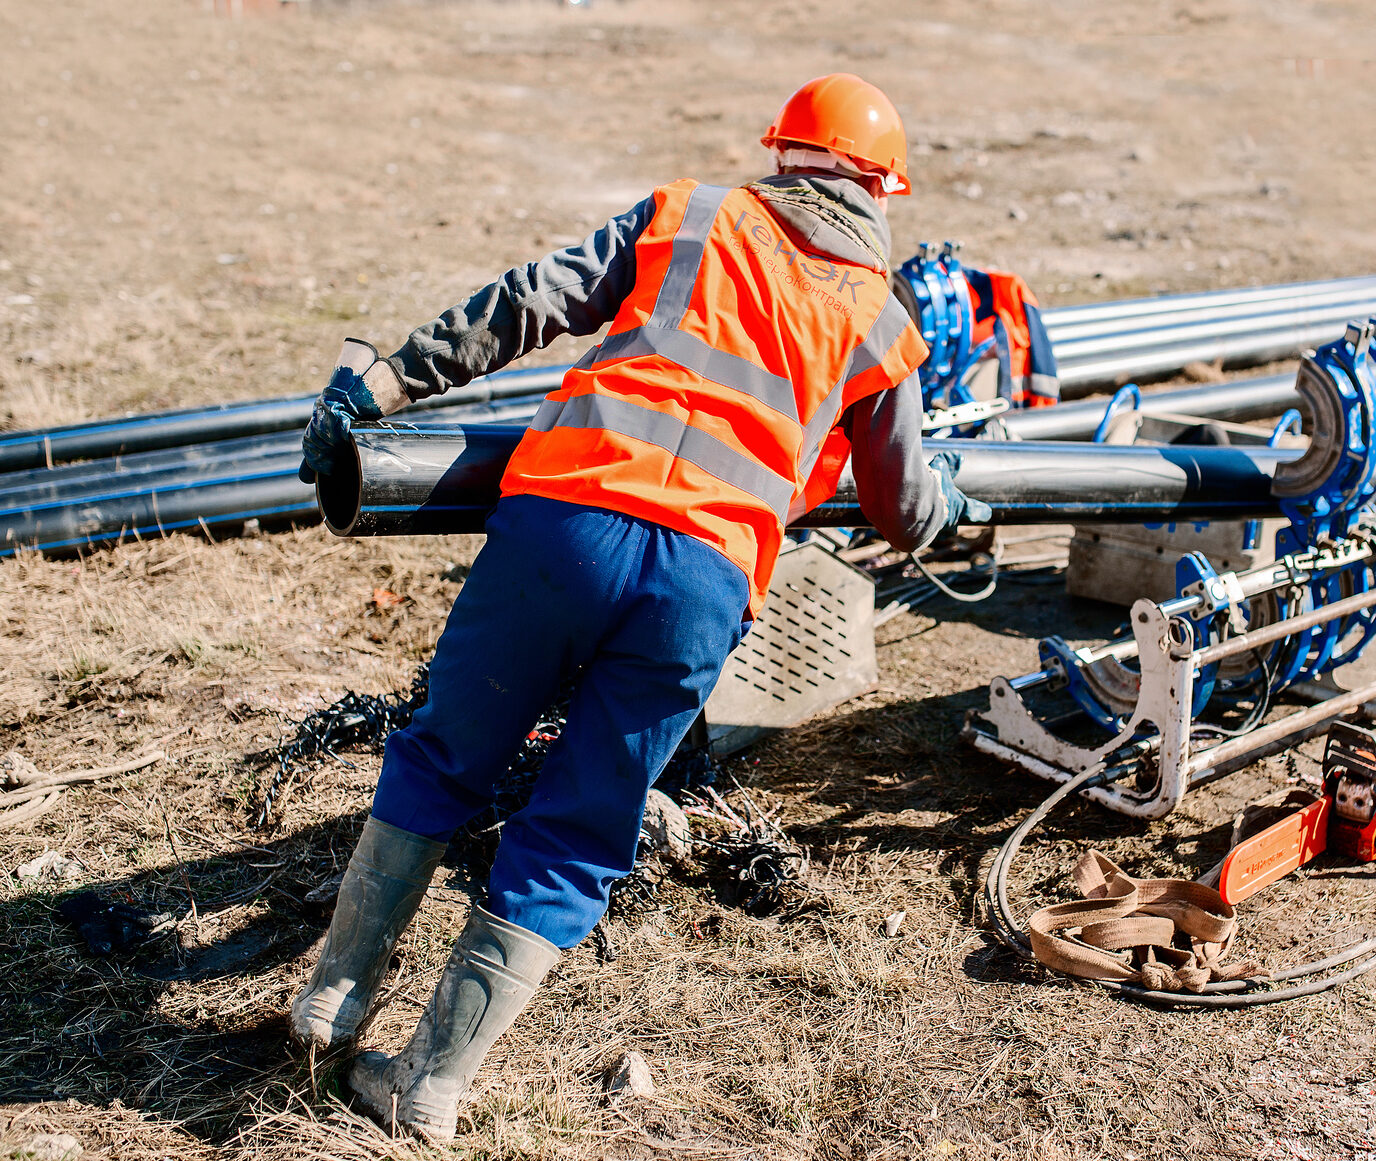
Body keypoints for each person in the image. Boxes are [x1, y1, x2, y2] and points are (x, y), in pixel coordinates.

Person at [287, 73, 989, 1142]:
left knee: (444, 754)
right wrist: (945, 500)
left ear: (784, 153)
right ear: (882, 189)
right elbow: (898, 508)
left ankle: (328, 1009)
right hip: (701, 584)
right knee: (576, 831)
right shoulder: (883, 320)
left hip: (563, 526)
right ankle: (426, 1090)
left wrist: (376, 391)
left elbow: (525, 302)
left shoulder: (691, 213)